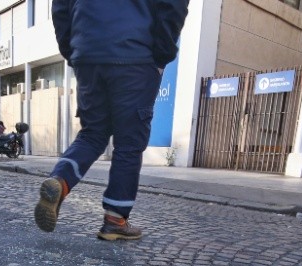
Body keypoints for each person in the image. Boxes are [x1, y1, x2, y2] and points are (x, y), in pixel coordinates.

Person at [35, 0, 189, 241]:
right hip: (136, 53)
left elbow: (60, 9)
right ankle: (115, 220)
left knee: (92, 134)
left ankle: (60, 181)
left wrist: (74, 52)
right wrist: (162, 55)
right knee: (129, 143)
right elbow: (173, 5)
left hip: (87, 52)